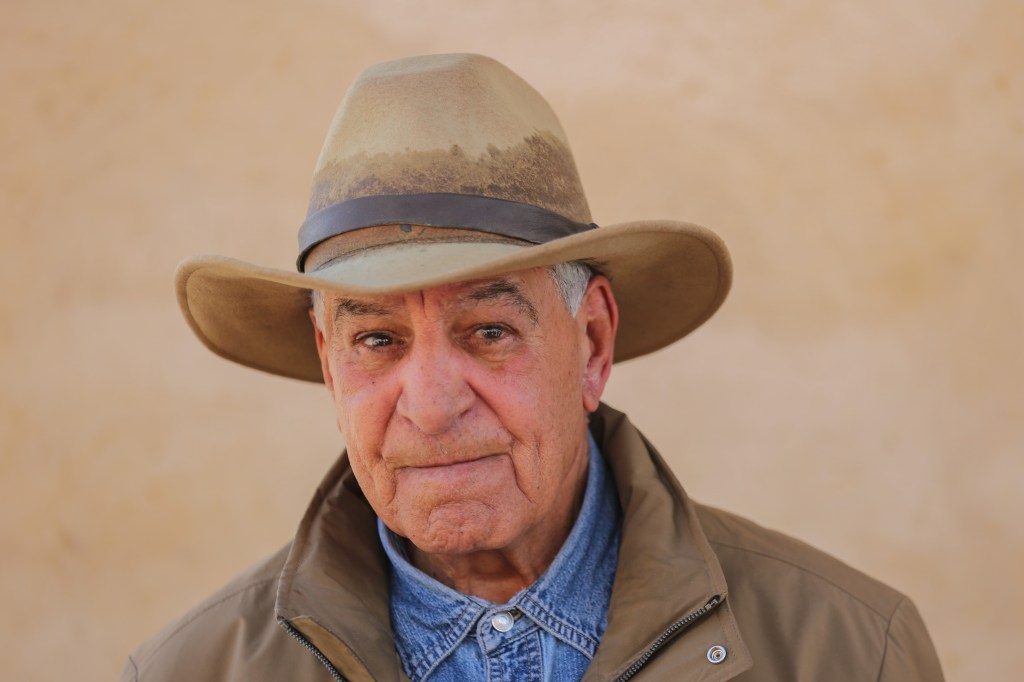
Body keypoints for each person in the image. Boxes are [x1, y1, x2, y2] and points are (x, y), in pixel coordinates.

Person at [122, 53, 944, 681]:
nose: (432, 405)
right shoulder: (185, 671)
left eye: (488, 331)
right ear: (329, 369)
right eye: (376, 341)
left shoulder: (851, 652)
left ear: (593, 343)